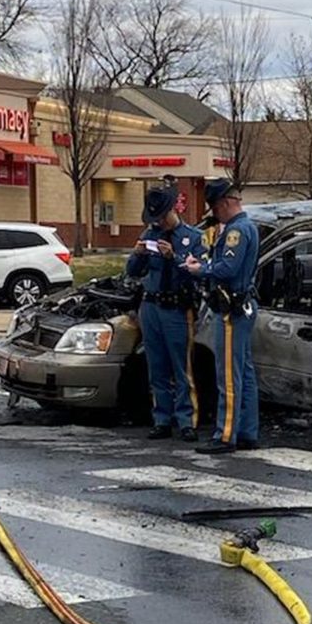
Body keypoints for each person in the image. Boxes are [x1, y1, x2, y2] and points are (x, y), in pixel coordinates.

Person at [185, 179, 259, 453]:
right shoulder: (248, 226)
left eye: (216, 209)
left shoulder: (236, 231)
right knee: (245, 370)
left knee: (228, 374)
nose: (215, 215)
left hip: (231, 308)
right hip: (243, 304)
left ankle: (225, 434)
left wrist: (199, 269)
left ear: (226, 203)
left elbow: (226, 268)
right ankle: (247, 431)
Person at [126, 185, 204, 438]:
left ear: (171, 210)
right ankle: (161, 418)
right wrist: (137, 255)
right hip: (151, 305)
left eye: (161, 216)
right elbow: (133, 271)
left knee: (181, 367)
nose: (158, 222)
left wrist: (174, 257)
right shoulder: (150, 233)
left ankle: (186, 421)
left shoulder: (192, 237)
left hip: (177, 307)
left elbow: (198, 274)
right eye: (154, 218)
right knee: (156, 365)